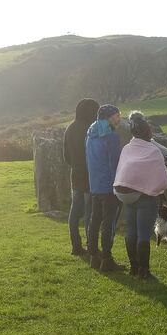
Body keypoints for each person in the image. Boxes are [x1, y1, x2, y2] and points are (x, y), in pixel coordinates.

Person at [113, 112, 167, 279]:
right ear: (148, 131)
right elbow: (164, 181)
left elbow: (124, 172)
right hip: (145, 199)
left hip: (126, 196)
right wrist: (151, 189)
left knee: (131, 232)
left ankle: (134, 268)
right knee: (143, 234)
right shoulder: (153, 151)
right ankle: (144, 271)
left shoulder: (126, 149)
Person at [85, 104, 123, 271]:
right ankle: (107, 260)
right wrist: (118, 185)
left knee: (95, 220)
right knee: (109, 222)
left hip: (94, 183)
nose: (119, 118)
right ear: (108, 118)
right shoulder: (111, 137)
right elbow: (114, 163)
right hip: (108, 185)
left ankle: (93, 256)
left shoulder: (90, 134)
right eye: (116, 115)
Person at [63, 98, 99, 256]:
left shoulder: (69, 128)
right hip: (90, 174)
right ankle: (91, 247)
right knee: (90, 212)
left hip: (76, 174)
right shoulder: (91, 129)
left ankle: (76, 246)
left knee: (75, 211)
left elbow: (66, 157)